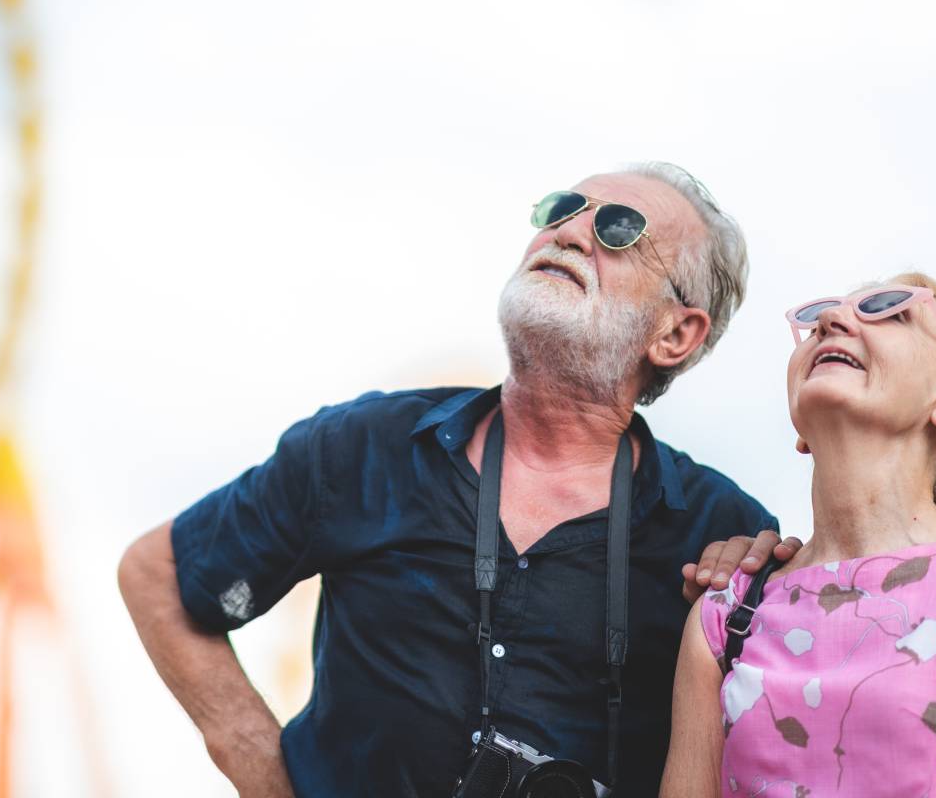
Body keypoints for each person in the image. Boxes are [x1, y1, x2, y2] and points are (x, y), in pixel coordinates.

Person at [119, 162, 801, 797]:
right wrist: (264, 769)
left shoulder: (721, 535)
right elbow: (156, 572)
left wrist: (792, 579)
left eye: (617, 228)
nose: (566, 231)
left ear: (676, 335)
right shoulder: (366, 448)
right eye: (563, 209)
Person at [661, 274, 936, 796]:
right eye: (824, 312)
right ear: (801, 428)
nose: (832, 320)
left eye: (890, 310)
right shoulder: (725, 611)